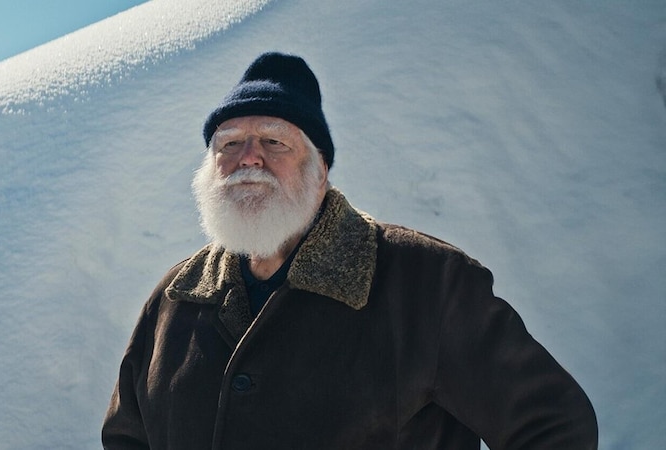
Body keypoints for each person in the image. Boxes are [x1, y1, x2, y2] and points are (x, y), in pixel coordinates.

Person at [101, 52, 598, 449]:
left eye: (274, 141)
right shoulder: (172, 301)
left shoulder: (426, 282)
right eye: (228, 144)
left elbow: (553, 426)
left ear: (320, 174)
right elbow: (126, 437)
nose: (247, 157)